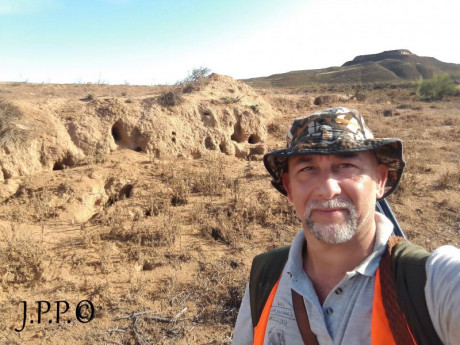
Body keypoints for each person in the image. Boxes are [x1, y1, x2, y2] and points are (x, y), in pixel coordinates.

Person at [232, 107, 459, 345]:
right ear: (289, 188)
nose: (328, 189)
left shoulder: (429, 283)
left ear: (380, 180)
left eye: (346, 165)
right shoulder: (266, 276)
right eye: (307, 169)